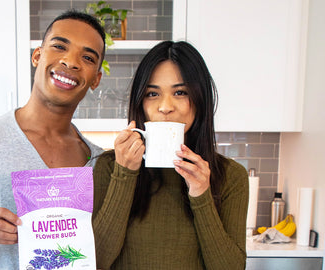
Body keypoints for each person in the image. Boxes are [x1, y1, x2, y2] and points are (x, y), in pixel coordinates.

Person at [0, 10, 106, 269]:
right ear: (37, 56)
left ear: (95, 80)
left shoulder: (99, 163)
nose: (70, 62)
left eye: (88, 57)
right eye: (59, 46)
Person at [92, 41, 248, 269]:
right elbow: (96, 262)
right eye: (152, 93)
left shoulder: (230, 176)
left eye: (180, 92)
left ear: (200, 99)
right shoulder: (110, 166)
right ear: (140, 102)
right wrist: (125, 174)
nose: (165, 106)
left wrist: (201, 195)